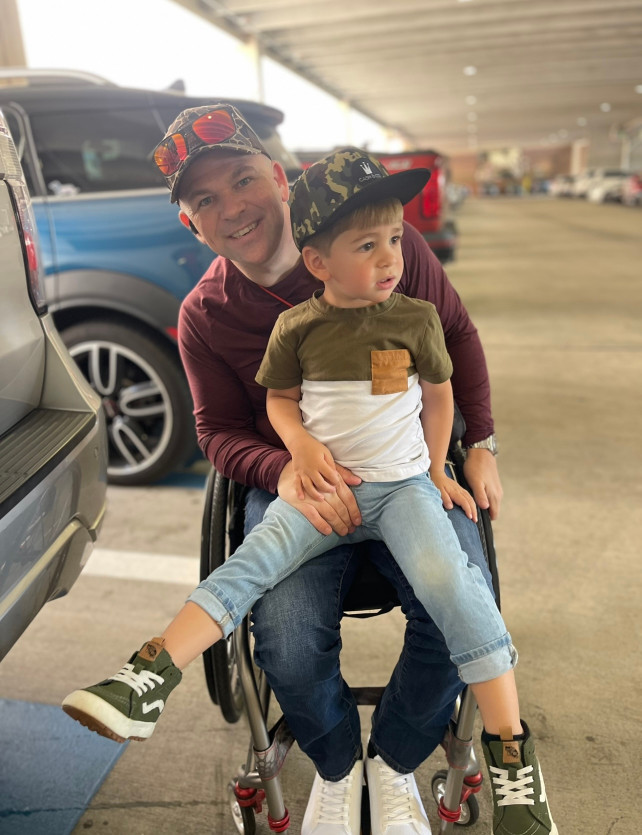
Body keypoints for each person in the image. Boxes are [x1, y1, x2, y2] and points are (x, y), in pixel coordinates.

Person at [63, 106, 554, 835]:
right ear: (190, 224)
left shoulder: (386, 248)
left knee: (459, 602)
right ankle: (334, 765)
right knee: (286, 644)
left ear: (281, 179)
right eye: (206, 201)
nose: (233, 207)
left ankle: (393, 761)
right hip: (298, 490)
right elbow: (219, 430)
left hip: (408, 474)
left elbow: (455, 341)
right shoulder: (207, 314)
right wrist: (284, 464)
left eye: (243, 178)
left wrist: (478, 443)